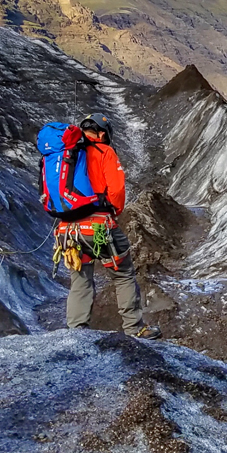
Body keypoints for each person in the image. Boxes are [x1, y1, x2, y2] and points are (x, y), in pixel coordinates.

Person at [61, 113, 160, 339]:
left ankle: (76, 332)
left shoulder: (68, 154)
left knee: (80, 278)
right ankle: (134, 328)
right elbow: (115, 190)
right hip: (97, 226)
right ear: (103, 133)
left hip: (67, 230)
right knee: (123, 274)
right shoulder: (105, 152)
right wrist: (112, 211)